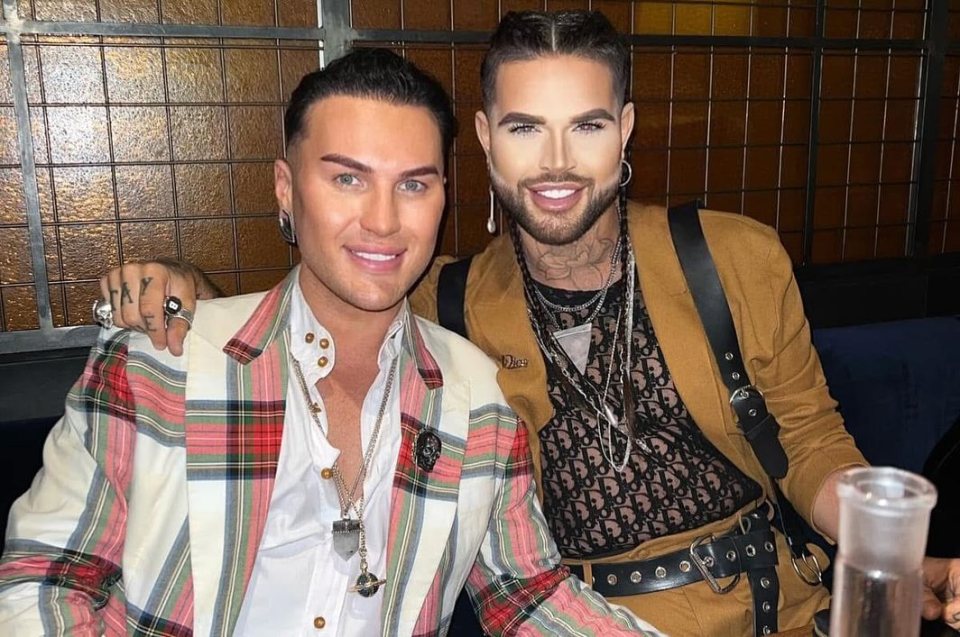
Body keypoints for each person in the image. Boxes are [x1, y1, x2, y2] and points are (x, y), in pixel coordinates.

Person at [88, 10, 960, 637]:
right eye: (522, 127)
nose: (554, 162)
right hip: (600, 614)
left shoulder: (730, 255)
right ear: (484, 140)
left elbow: (809, 436)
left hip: (783, 598)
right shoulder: (442, 302)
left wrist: (890, 552)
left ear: (623, 133)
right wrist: (193, 293)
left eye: (584, 125)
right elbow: (312, 311)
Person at [0, 48, 665, 637]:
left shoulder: (477, 402)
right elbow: (45, 580)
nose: (382, 220)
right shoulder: (157, 367)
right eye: (347, 178)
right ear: (287, 190)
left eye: (413, 183)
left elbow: (527, 595)